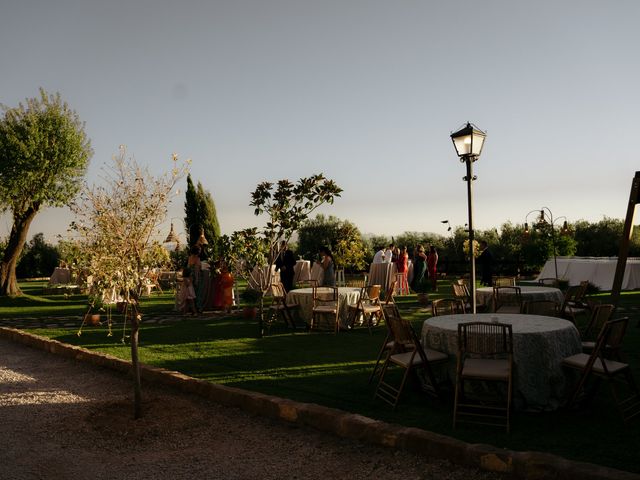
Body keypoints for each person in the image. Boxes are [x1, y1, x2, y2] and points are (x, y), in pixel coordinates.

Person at [188, 245, 204, 312]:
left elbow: (189, 267)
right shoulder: (197, 259)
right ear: (197, 251)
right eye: (199, 250)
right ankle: (198, 307)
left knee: (192, 293)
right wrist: (197, 279)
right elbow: (197, 269)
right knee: (198, 293)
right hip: (196, 276)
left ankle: (192, 307)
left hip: (190, 277)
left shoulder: (190, 258)